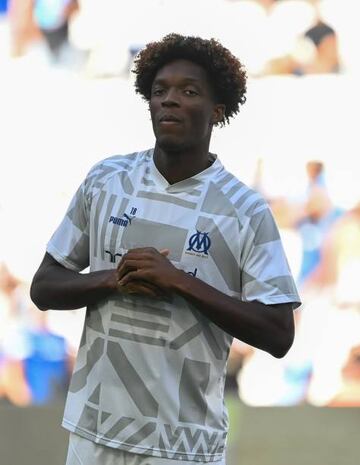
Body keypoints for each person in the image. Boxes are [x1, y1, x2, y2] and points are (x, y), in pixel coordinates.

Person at [30, 33, 301, 465]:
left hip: (185, 445)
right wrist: (114, 279)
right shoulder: (106, 180)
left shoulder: (245, 210)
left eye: (188, 91)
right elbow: (44, 287)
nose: (169, 101)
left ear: (218, 111)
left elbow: (279, 332)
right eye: (160, 91)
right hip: (94, 432)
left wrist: (179, 282)